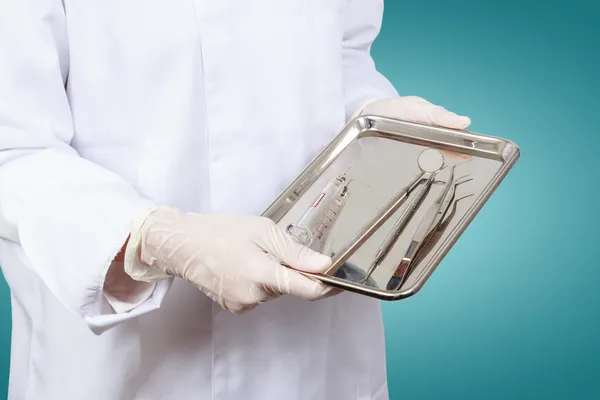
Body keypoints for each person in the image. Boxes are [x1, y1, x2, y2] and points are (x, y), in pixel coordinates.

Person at [0, 1, 471, 399]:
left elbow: (341, 55)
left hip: (319, 358)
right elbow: (13, 150)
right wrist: (152, 237)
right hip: (124, 362)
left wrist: (372, 122)